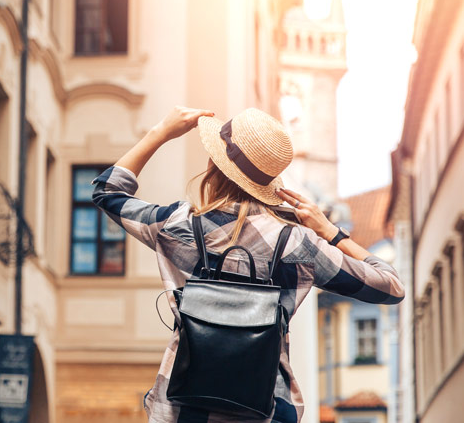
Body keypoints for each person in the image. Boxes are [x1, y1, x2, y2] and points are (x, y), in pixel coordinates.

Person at [92, 106, 405, 423]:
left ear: (215, 165)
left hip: (185, 409)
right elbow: (391, 287)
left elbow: (108, 190)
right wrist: (330, 232)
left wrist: (161, 131)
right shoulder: (299, 243)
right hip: (266, 409)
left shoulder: (178, 225)